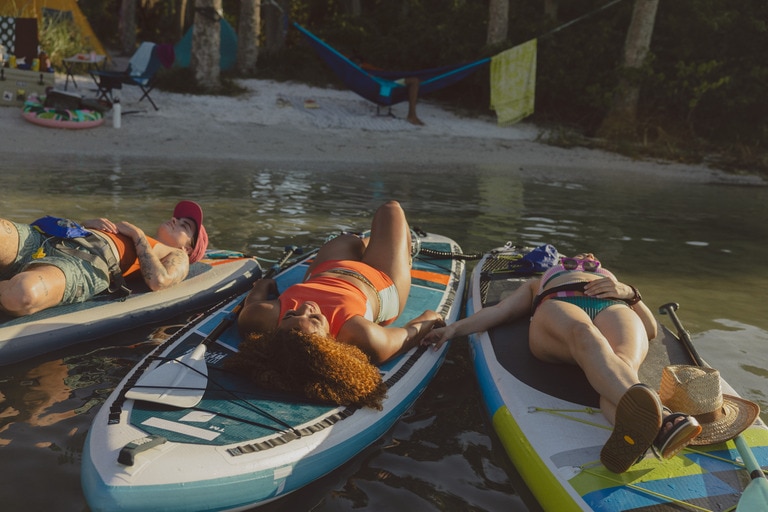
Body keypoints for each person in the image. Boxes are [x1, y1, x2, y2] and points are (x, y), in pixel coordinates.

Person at [423, 253, 703, 473]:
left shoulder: (612, 280)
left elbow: (650, 329)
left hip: (612, 306)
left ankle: (641, 434)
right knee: (586, 336)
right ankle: (664, 419)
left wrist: (629, 292)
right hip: (559, 306)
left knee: (623, 366)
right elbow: (502, 311)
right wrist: (453, 329)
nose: (581, 261)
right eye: (569, 261)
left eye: (589, 261)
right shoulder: (538, 282)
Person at [230, 200, 443, 409]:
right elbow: (410, 333)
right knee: (390, 209)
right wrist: (432, 319)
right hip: (380, 281)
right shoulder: (362, 335)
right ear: (331, 342)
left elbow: (255, 297)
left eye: (291, 315)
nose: (306, 307)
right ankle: (402, 250)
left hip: (327, 268)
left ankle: (370, 243)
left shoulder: (260, 317)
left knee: (349, 239)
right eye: (314, 319)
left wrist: (263, 286)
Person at [0, 200, 208, 317]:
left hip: (84, 264)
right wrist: (87, 225)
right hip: (51, 237)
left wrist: (137, 235)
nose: (175, 220)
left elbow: (159, 281)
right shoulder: (144, 240)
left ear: (187, 249)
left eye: (185, 226)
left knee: (23, 293)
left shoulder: (177, 254)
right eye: (178, 218)